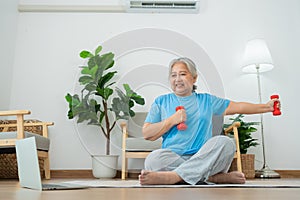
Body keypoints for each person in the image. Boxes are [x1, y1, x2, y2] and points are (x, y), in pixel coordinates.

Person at [139, 57, 280, 185]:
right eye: (173, 75)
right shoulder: (161, 101)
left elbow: (238, 106)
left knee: (226, 143)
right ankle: (212, 178)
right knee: (153, 160)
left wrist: (266, 107)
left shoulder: (207, 101)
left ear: (194, 78)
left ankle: (174, 177)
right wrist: (171, 120)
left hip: (205, 156)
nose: (177, 79)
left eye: (182, 74)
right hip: (174, 157)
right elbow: (147, 133)